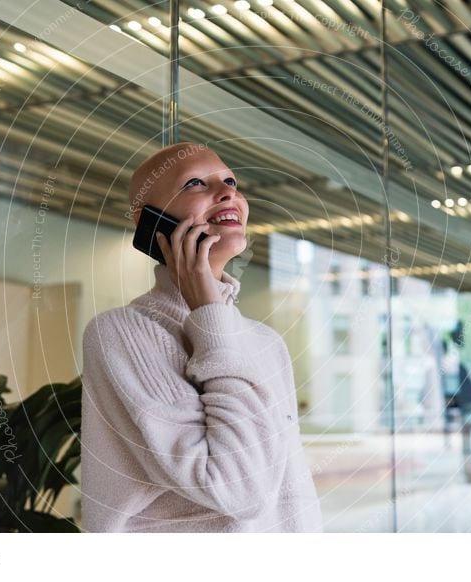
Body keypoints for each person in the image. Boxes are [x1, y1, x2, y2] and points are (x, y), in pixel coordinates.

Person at [79, 142, 324, 532]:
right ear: (150, 222)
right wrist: (208, 313)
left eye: (230, 181)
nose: (228, 192)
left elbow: (292, 495)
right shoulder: (120, 332)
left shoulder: (265, 342)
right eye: (195, 183)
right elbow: (240, 489)